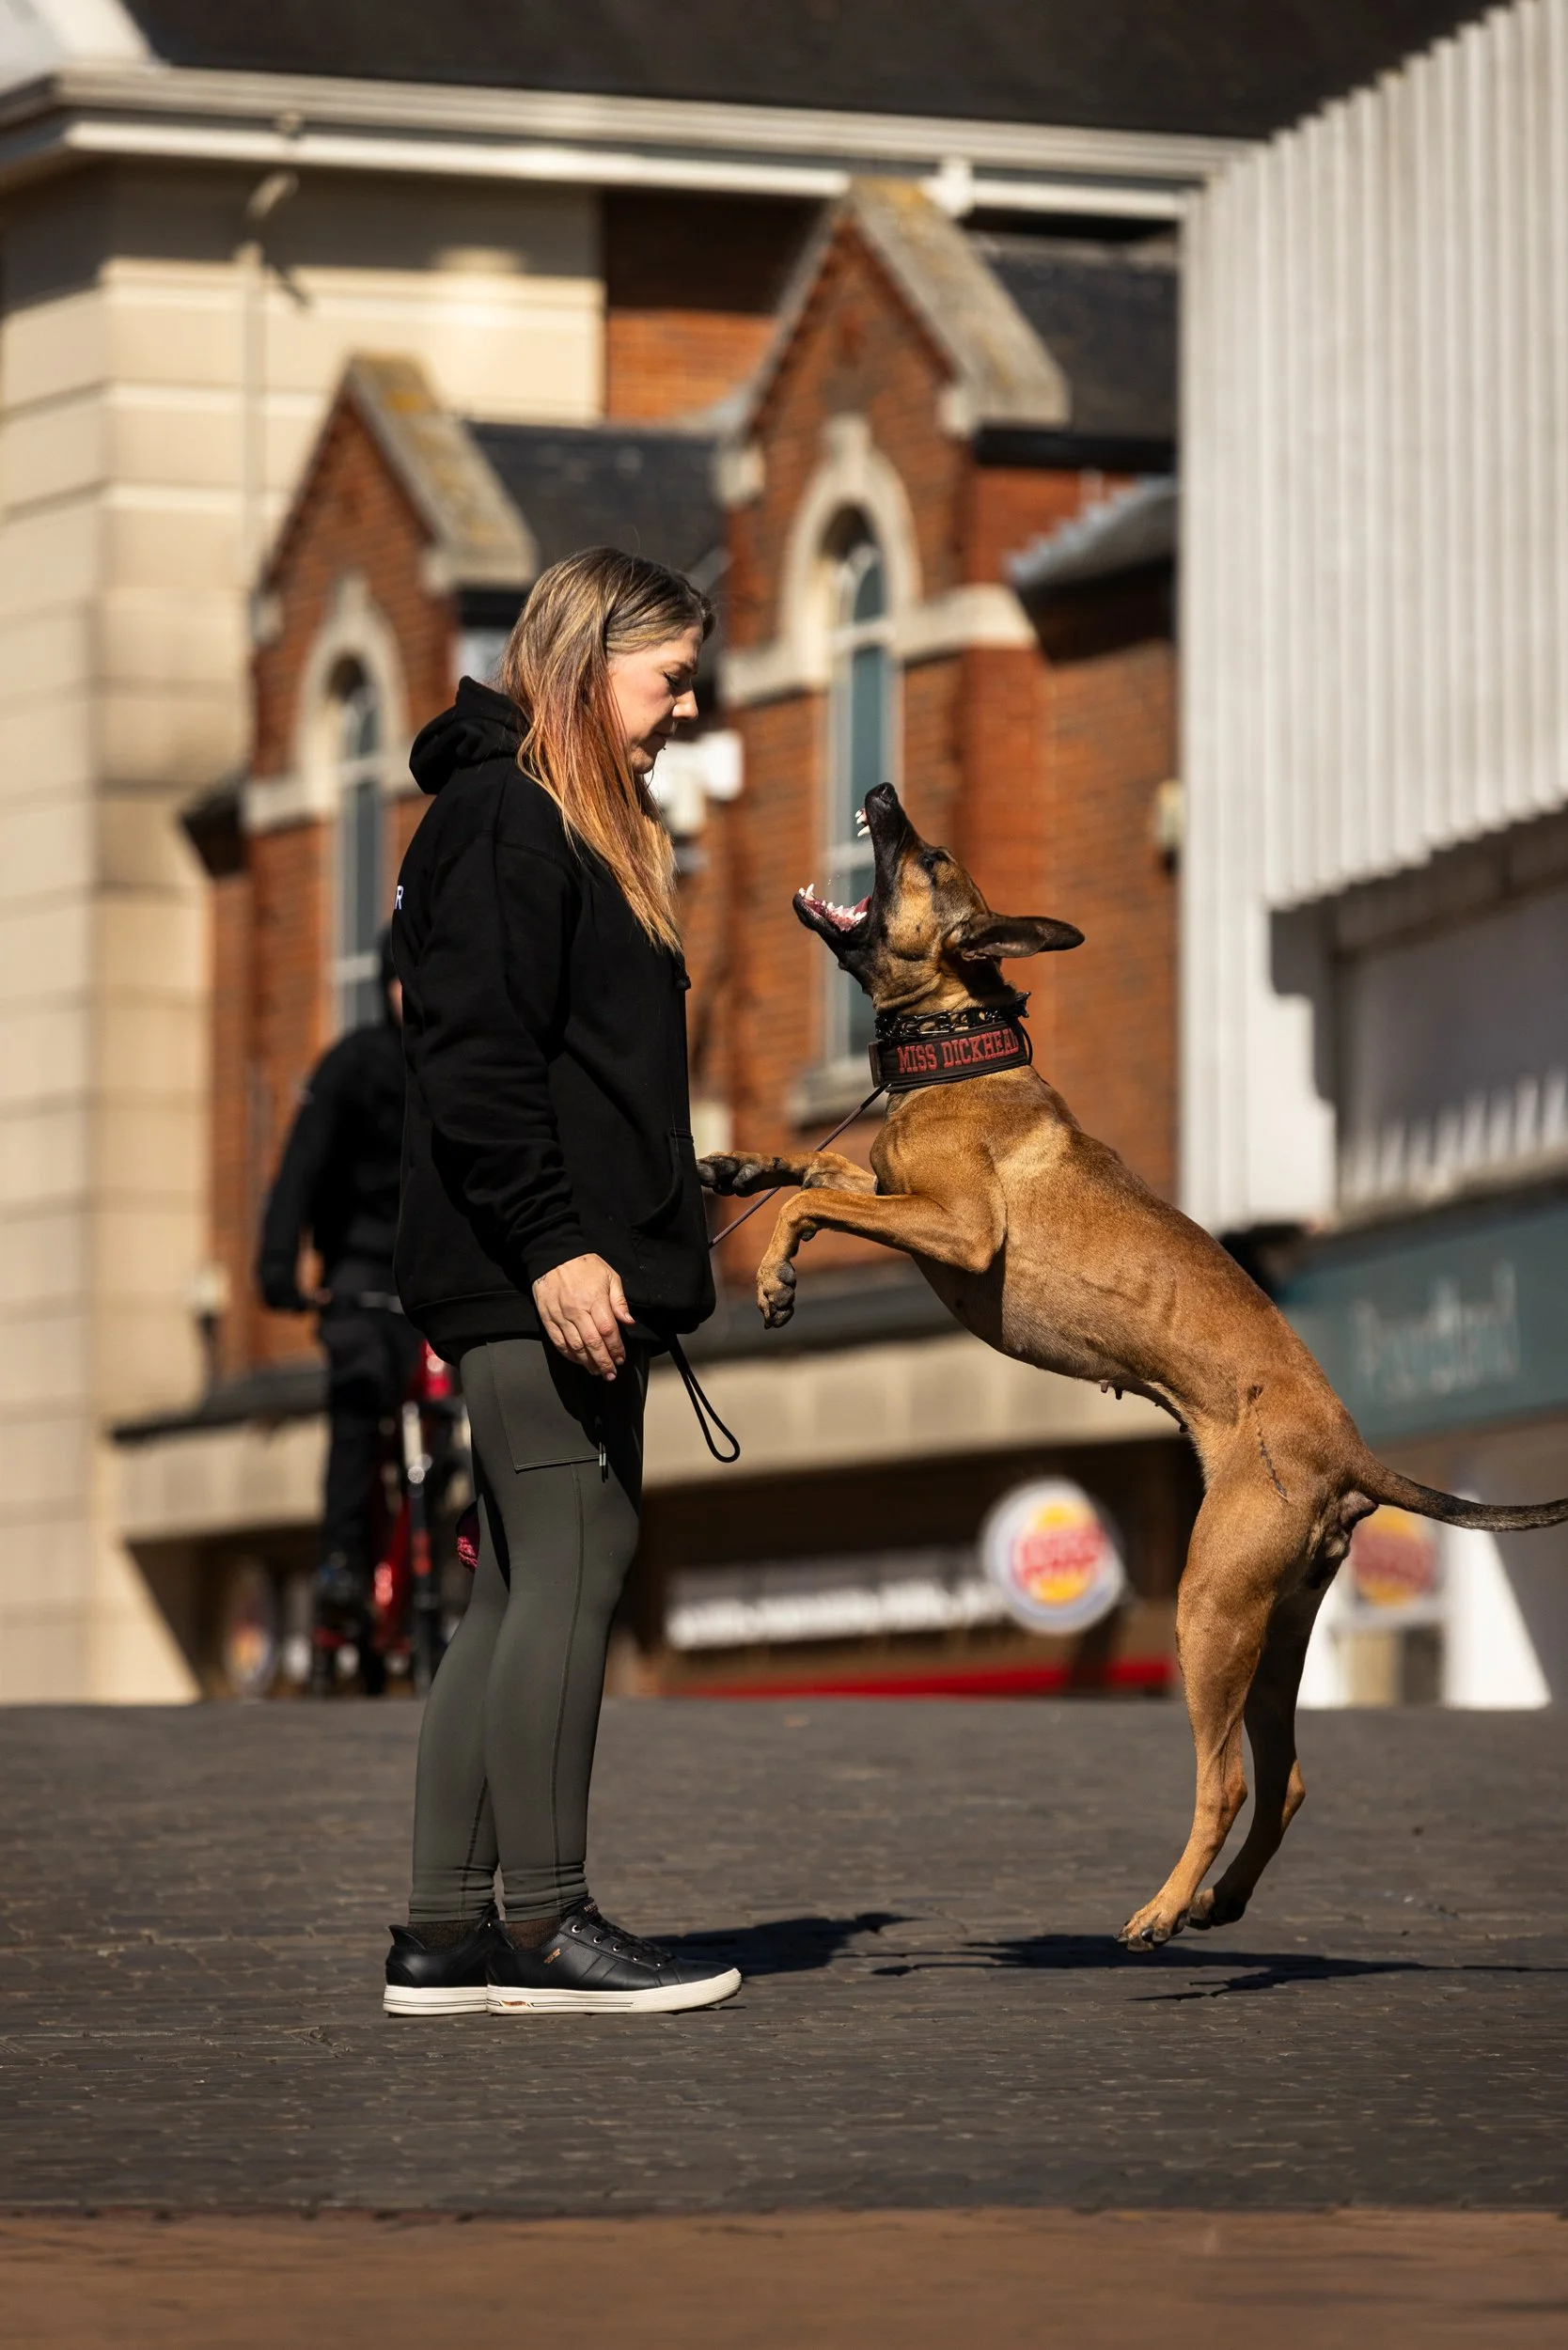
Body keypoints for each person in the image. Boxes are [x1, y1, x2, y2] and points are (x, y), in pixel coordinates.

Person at [382, 548, 741, 2018]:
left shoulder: (534, 821)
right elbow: (472, 1057)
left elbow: (568, 1070)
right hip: (537, 1277)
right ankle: (543, 1931)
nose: (685, 709)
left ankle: (447, 1937)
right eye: (668, 679)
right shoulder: (508, 820)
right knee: (573, 1572)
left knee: (521, 1590)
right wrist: (557, 1243)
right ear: (587, 662)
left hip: (549, 1266)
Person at [257, 930, 421, 1693]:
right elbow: (299, 1171)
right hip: (358, 1279)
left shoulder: (463, 1066)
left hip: (434, 1284)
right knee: (359, 1392)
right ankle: (338, 1564)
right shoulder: (354, 1065)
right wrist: (280, 1272)